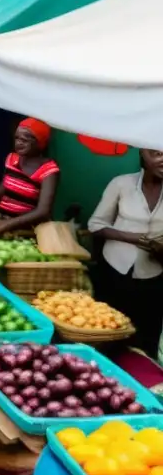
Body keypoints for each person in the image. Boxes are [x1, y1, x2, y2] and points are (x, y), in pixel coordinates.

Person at [88, 149, 163, 355]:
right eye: (156, 153)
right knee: (109, 332)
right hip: (114, 269)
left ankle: (141, 383)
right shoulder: (121, 184)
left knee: (146, 337)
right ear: (143, 154)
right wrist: (134, 238)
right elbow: (96, 224)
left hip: (154, 273)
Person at [0, 118, 60, 241]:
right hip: (2, 220)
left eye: (25, 140)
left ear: (40, 142)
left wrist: (5, 226)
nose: (19, 143)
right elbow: (3, 189)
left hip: (26, 230)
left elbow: (43, 211)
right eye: (17, 138)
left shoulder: (49, 170)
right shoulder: (12, 159)